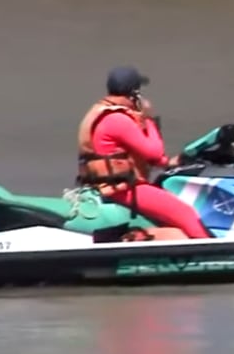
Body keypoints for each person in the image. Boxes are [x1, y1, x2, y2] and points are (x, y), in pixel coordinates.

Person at [75, 66, 212, 239]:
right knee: (185, 213)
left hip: (111, 185)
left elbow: (146, 156)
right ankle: (215, 252)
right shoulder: (118, 120)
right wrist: (148, 119)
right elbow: (154, 152)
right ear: (134, 93)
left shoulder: (102, 112)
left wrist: (169, 163)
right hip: (122, 189)